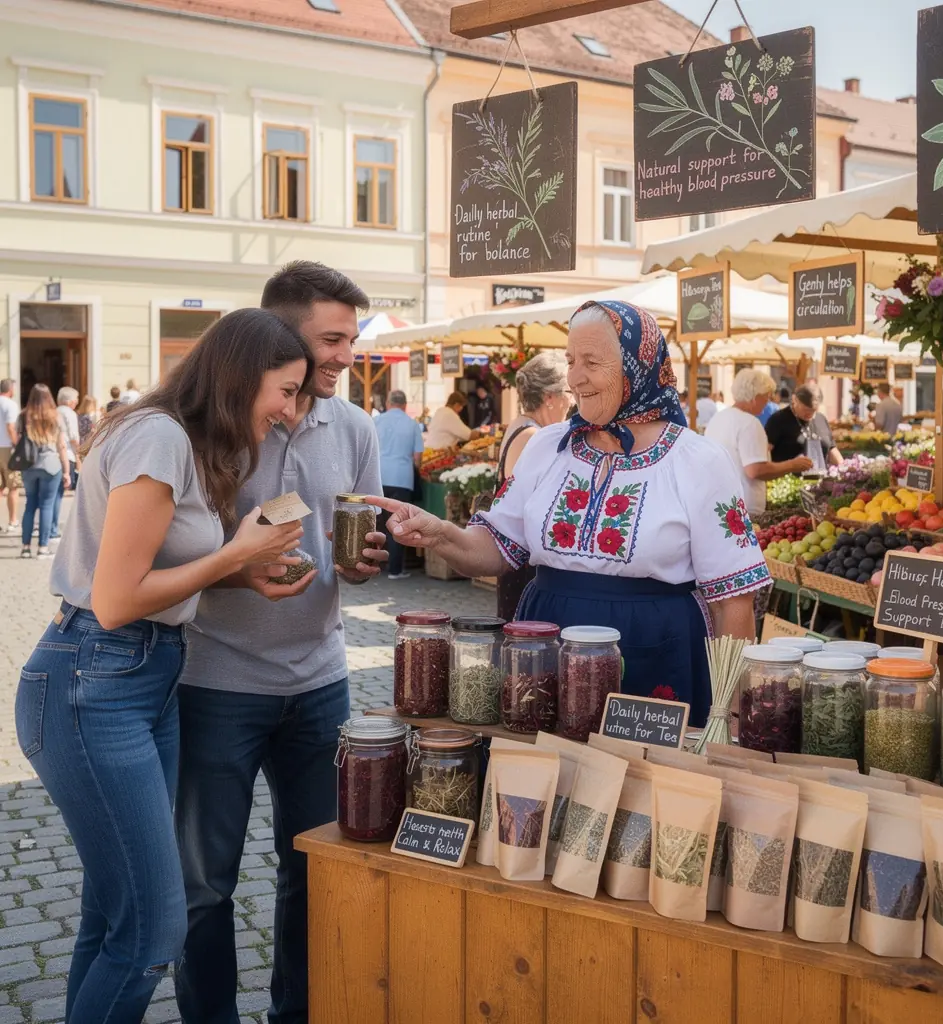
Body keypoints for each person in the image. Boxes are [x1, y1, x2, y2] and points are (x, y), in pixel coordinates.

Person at [15, 309, 309, 1024]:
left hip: (140, 675)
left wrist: (242, 576)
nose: (291, 409)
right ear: (244, 374)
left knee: (113, 916)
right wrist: (235, 555)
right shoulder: (159, 437)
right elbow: (116, 600)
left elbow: (155, 574)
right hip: (95, 677)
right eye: (287, 389)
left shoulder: (182, 440)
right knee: (152, 933)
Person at [371, 300, 769, 725]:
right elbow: (497, 546)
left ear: (637, 365)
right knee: (543, 784)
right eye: (570, 360)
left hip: (657, 657)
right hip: (545, 652)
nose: (575, 379)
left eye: (591, 362)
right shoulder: (547, 446)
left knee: (644, 785)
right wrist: (439, 534)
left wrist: (732, 711)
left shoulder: (698, 459)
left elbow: (733, 601)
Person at [173, 262, 388, 1024]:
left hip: (320, 680)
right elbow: (171, 567)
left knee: (315, 868)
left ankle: (296, 1013)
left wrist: (362, 568)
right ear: (275, 336)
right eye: (330, 340)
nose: (343, 358)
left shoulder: (356, 426)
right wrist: (243, 567)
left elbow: (351, 551)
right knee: (205, 882)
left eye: (350, 342)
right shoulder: (210, 429)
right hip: (215, 682)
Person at [496, 351, 571, 620]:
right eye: (567, 391)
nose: (571, 401)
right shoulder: (532, 435)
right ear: (549, 397)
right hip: (523, 556)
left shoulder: (521, 425)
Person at [704, 369, 813, 519]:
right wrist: (793, 465)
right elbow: (756, 470)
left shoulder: (718, 419)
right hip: (743, 511)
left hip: (720, 504)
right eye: (766, 397)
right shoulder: (749, 423)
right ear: (755, 396)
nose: (767, 402)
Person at [375, 388, 424, 580]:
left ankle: (374, 564)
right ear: (404, 405)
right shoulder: (412, 424)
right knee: (398, 523)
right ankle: (395, 570)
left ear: (388, 403)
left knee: (377, 522)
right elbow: (418, 457)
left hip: (378, 476)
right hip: (402, 479)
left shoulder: (376, 421)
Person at [17, 385, 71, 559]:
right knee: (47, 505)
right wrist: (67, 471)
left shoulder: (24, 415)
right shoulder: (56, 416)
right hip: (51, 464)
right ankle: (43, 548)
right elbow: (61, 445)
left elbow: (18, 441)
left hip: (29, 465)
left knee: (30, 504)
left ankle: (25, 547)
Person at [765, 384, 842, 471]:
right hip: (789, 480)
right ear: (795, 400)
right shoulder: (778, 419)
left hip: (819, 478)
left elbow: (831, 448)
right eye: (806, 410)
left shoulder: (821, 418)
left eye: (813, 410)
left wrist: (844, 467)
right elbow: (765, 451)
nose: (810, 414)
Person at [52, 387, 81, 540]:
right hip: (67, 454)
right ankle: (53, 528)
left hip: (52, 455)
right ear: (70, 401)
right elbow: (73, 437)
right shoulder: (70, 413)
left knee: (51, 496)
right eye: (76, 399)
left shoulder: (54, 411)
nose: (77, 403)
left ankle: (49, 526)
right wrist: (80, 454)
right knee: (58, 495)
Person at [0, 377, 19, 533]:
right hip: (7, 447)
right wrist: (17, 444)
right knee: (13, 486)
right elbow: (10, 427)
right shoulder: (11, 405)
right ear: (10, 389)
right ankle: (13, 521)